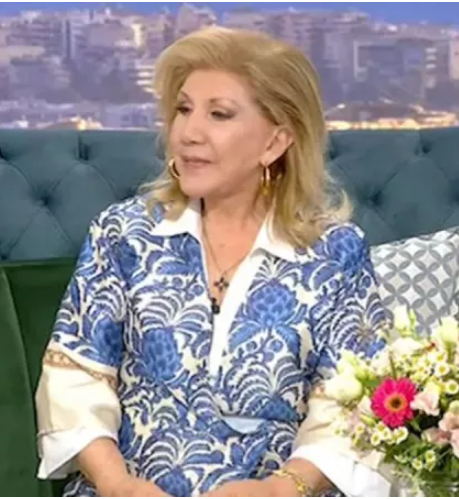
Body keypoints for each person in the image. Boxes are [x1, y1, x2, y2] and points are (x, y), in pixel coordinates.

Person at [35, 26, 391, 497]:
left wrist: (281, 489)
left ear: (275, 142)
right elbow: (75, 381)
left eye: (219, 114)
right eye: (183, 109)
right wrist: (116, 483)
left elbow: (353, 404)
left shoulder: (335, 252)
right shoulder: (124, 234)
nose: (189, 133)